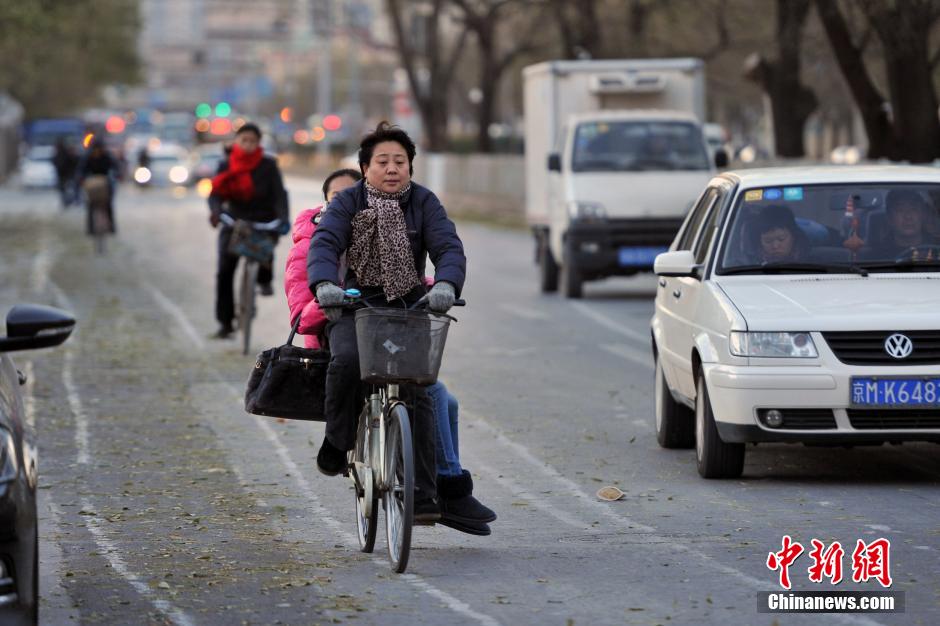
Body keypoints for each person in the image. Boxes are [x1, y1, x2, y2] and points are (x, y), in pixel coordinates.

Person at [285, 167, 496, 534]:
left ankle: (446, 486)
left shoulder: (388, 230)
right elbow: (301, 310)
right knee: (396, 381)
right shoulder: (314, 242)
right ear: (326, 204)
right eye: (337, 198)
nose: (345, 203)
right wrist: (330, 300)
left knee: (441, 397)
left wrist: (435, 288)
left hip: (387, 332)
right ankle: (436, 484)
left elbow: (414, 276)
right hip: (340, 342)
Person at [308, 122, 467, 524]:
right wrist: (325, 283)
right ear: (365, 168)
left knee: (421, 390)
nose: (392, 168)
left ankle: (424, 493)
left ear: (411, 167)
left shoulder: (425, 202)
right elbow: (324, 242)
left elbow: (448, 246)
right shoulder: (348, 203)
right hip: (353, 305)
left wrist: (446, 283)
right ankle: (337, 440)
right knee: (345, 363)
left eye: (400, 161)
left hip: (408, 308)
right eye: (383, 161)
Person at [208, 122, 289, 339]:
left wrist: (283, 218)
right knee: (224, 271)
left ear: (258, 143)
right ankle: (225, 323)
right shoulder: (226, 165)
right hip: (235, 220)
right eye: (244, 140)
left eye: (253, 141)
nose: (248, 144)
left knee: (266, 249)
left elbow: (280, 195)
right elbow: (215, 194)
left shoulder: (269, 166)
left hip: (263, 219)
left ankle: (264, 279)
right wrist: (216, 212)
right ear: (236, 141)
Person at [867, 189, 938, 258]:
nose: (908, 216)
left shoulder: (936, 247)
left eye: (914, 209)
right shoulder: (876, 256)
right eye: (900, 210)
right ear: (890, 218)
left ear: (923, 215)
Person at [77, 139, 119, 234]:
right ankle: (90, 229)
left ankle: (111, 227)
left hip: (105, 180)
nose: (97, 151)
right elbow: (81, 169)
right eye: (95, 149)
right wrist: (81, 178)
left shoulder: (107, 156)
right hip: (92, 182)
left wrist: (117, 174)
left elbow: (115, 166)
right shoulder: (88, 157)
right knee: (90, 205)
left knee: (108, 203)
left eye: (99, 149)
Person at [52, 138, 78, 208]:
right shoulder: (62, 154)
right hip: (65, 175)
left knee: (67, 190)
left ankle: (68, 201)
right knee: (66, 190)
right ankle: (67, 202)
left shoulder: (62, 154)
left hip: (65, 175)